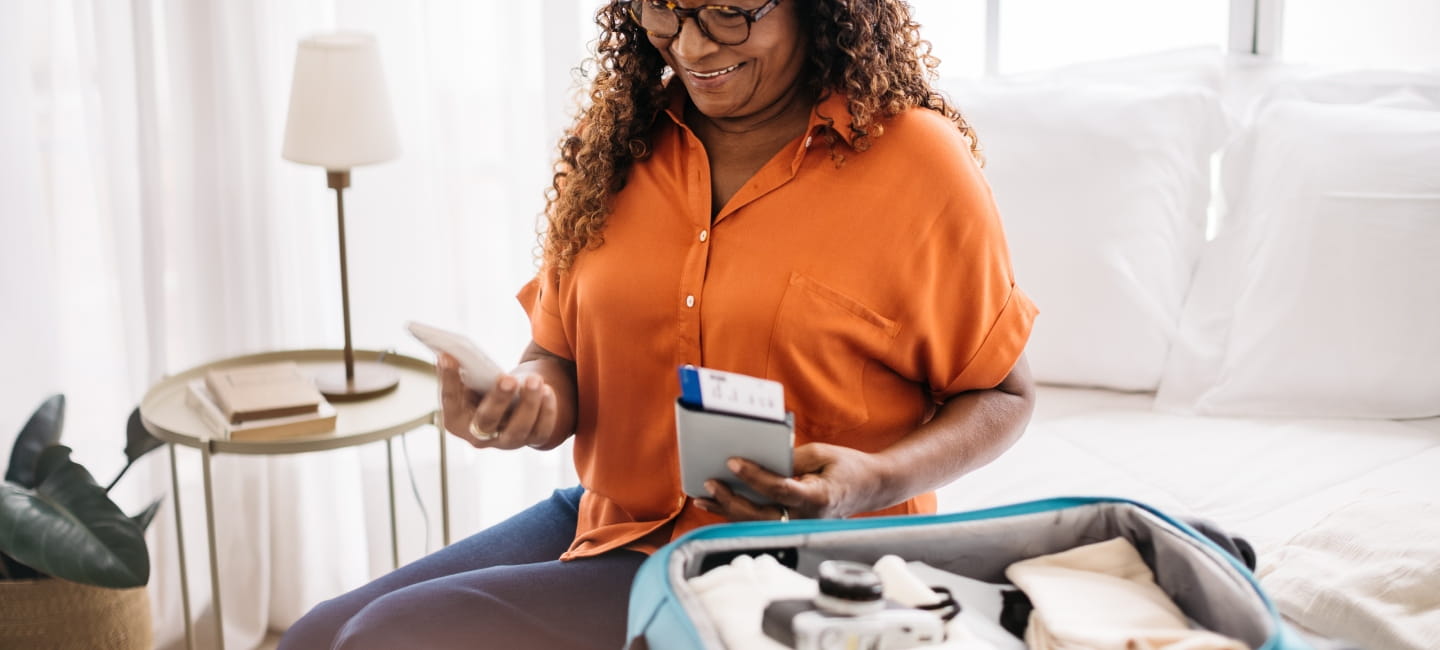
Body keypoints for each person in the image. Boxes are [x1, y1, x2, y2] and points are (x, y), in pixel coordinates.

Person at [281, 0, 1036, 647]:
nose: (694, 44)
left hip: (799, 562)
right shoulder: (617, 144)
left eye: (730, 12)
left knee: (388, 637)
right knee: (317, 635)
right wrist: (526, 403)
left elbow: (1003, 395)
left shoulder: (917, 164)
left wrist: (871, 481)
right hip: (617, 521)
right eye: (666, 8)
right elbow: (557, 352)